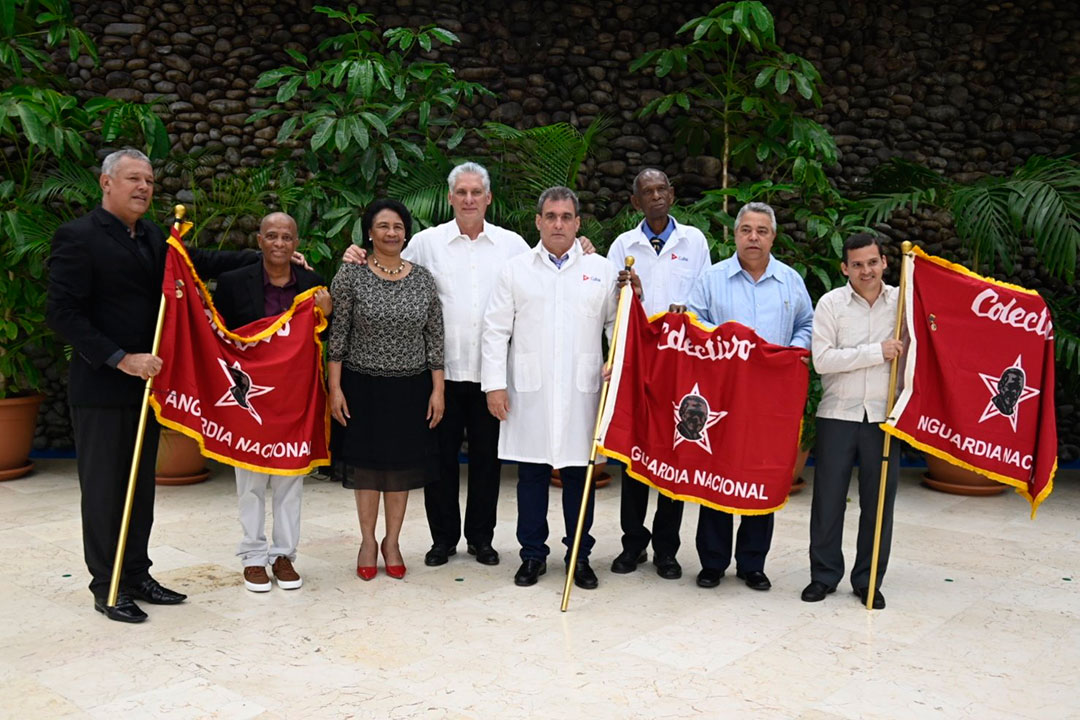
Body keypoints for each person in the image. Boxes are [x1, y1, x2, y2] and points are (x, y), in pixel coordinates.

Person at [47, 148, 266, 623]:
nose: (144, 187)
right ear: (106, 183)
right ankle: (108, 585)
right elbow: (62, 312)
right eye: (132, 179)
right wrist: (119, 358)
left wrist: (265, 256)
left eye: (148, 180)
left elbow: (200, 260)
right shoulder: (79, 237)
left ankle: (137, 573)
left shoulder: (153, 236)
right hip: (104, 388)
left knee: (139, 485)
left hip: (150, 388)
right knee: (107, 489)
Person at [481, 186, 618, 590]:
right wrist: (494, 385)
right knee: (532, 475)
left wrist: (616, 359)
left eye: (566, 217)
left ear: (578, 224)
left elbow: (618, 324)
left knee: (580, 476)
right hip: (531, 391)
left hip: (583, 391)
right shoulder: (516, 269)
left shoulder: (602, 270)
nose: (558, 223)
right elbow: (495, 330)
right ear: (538, 221)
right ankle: (532, 555)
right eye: (551, 216)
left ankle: (579, 555)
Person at [679, 201, 814, 592]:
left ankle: (753, 563)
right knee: (717, 476)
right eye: (746, 230)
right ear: (735, 235)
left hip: (771, 401)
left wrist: (790, 354)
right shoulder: (712, 279)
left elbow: (806, 324)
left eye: (762, 231)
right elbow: (694, 323)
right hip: (722, 397)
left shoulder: (790, 281)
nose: (753, 237)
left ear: (773, 237)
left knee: (762, 476)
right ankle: (713, 563)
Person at [402, 163, 529, 568]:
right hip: (440, 375)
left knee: (488, 461)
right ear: (451, 197)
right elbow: (391, 271)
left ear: (489, 198)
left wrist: (582, 249)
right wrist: (357, 255)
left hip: (492, 376)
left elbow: (544, 277)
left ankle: (481, 539)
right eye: (461, 192)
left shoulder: (513, 246)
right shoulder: (426, 243)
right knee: (438, 461)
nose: (469, 199)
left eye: (477, 192)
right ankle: (443, 540)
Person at [213, 212, 333, 593]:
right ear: (260, 240)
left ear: (297, 243)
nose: (279, 243)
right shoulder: (232, 284)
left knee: (289, 480)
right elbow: (218, 336)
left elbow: (321, 334)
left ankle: (283, 555)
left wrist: (326, 314)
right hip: (249, 398)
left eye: (287, 237)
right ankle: (252, 557)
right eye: (272, 236)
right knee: (249, 480)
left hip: (294, 398)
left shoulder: (312, 285)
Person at [327, 199, 445, 581]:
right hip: (362, 387)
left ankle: (392, 541)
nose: (391, 233)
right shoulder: (351, 275)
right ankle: (367, 541)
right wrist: (334, 388)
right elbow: (337, 334)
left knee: (399, 471)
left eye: (397, 226)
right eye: (382, 226)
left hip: (411, 389)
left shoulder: (424, 279)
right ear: (369, 232)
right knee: (367, 470)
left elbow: (436, 339)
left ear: (406, 233)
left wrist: (438, 390)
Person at [605, 168, 710, 581]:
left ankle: (667, 549)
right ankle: (633, 545)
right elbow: (612, 309)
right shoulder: (623, 246)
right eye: (646, 192)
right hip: (639, 365)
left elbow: (705, 300)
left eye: (661, 188)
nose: (655, 196)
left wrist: (692, 316)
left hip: (681, 368)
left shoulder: (694, 242)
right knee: (636, 456)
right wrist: (629, 298)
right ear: (636, 202)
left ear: (672, 192)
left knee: (674, 457)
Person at [803, 233, 901, 610]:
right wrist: (878, 352)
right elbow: (823, 360)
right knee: (828, 501)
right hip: (838, 414)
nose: (866, 270)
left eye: (872, 262)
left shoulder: (902, 302)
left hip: (884, 417)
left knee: (879, 504)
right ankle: (823, 576)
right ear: (845, 268)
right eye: (857, 264)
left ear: (884, 263)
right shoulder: (831, 304)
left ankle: (869, 579)